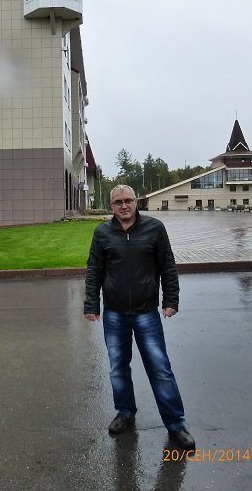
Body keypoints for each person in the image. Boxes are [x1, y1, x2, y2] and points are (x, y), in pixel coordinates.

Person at [84, 184, 195, 450]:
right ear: (111, 206)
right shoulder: (102, 233)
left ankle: (176, 424)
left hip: (146, 312)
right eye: (118, 202)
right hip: (115, 314)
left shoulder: (154, 228)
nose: (124, 206)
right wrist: (91, 304)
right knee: (118, 368)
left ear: (136, 202)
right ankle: (125, 412)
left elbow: (167, 266)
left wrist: (171, 300)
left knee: (160, 369)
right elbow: (94, 270)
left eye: (128, 200)